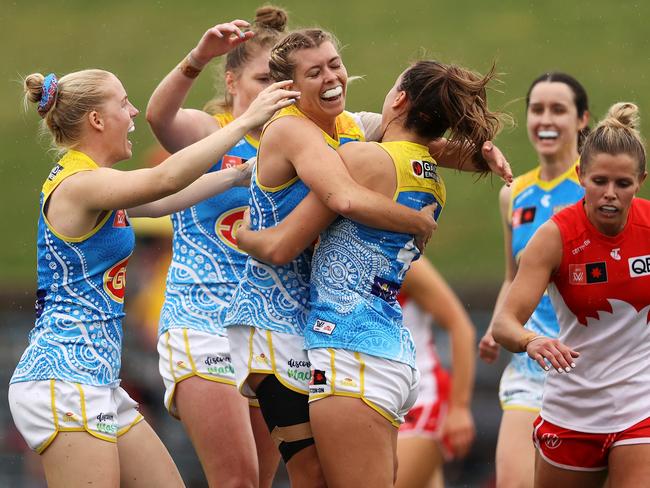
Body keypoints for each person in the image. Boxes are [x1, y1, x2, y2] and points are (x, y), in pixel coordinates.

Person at [6, 64, 297, 488]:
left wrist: (237, 174)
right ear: (97, 120)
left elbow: (167, 200)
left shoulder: (96, 183)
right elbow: (165, 179)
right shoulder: (80, 184)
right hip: (62, 379)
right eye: (124, 104)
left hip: (95, 380)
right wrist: (248, 121)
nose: (134, 112)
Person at [234, 51, 504, 486]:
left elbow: (283, 244)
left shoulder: (362, 160)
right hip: (389, 353)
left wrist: (244, 235)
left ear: (399, 100)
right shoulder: (430, 173)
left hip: (350, 353)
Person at [145, 9, 288, 487]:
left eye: (282, 79)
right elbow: (158, 116)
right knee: (238, 481)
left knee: (259, 483)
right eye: (263, 77)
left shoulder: (298, 142)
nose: (273, 88)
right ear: (231, 80)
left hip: (270, 325)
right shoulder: (211, 132)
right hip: (201, 320)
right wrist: (197, 58)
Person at [492, 102, 650, 487]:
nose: (610, 194)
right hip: (572, 408)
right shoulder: (554, 236)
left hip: (639, 404)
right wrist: (532, 341)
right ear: (580, 174)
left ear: (640, 181)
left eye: (623, 184)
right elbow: (503, 324)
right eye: (599, 181)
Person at [478, 72, 590, 488]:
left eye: (558, 110)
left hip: (585, 365)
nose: (546, 119)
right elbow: (514, 276)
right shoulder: (514, 192)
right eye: (537, 109)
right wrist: (496, 325)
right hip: (529, 363)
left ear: (582, 120)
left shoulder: (595, 188)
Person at [395, 257, 476, 488]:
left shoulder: (405, 259)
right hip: (371, 400)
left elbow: (460, 326)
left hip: (420, 400)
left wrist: (459, 407)